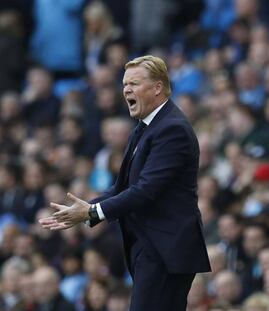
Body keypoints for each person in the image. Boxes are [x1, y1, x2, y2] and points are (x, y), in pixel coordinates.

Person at [39, 55, 211, 310]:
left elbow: (146, 189)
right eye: (124, 84)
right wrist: (87, 210)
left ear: (157, 87)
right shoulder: (143, 128)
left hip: (166, 251)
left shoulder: (172, 129)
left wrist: (93, 211)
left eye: (134, 83)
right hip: (152, 248)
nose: (126, 90)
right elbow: (123, 185)